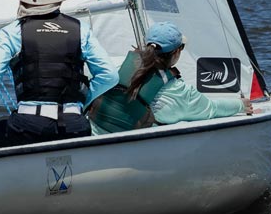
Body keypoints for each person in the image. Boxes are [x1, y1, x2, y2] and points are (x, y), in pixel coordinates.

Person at [0, 0, 119, 150]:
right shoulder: (80, 30)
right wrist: (79, 102)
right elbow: (109, 76)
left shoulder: (12, 32)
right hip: (74, 126)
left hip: (28, 128)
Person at [89, 21, 250, 133]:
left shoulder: (117, 66)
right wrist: (240, 105)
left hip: (94, 136)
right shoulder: (178, 91)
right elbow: (210, 109)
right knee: (181, 120)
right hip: (128, 152)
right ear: (176, 52)